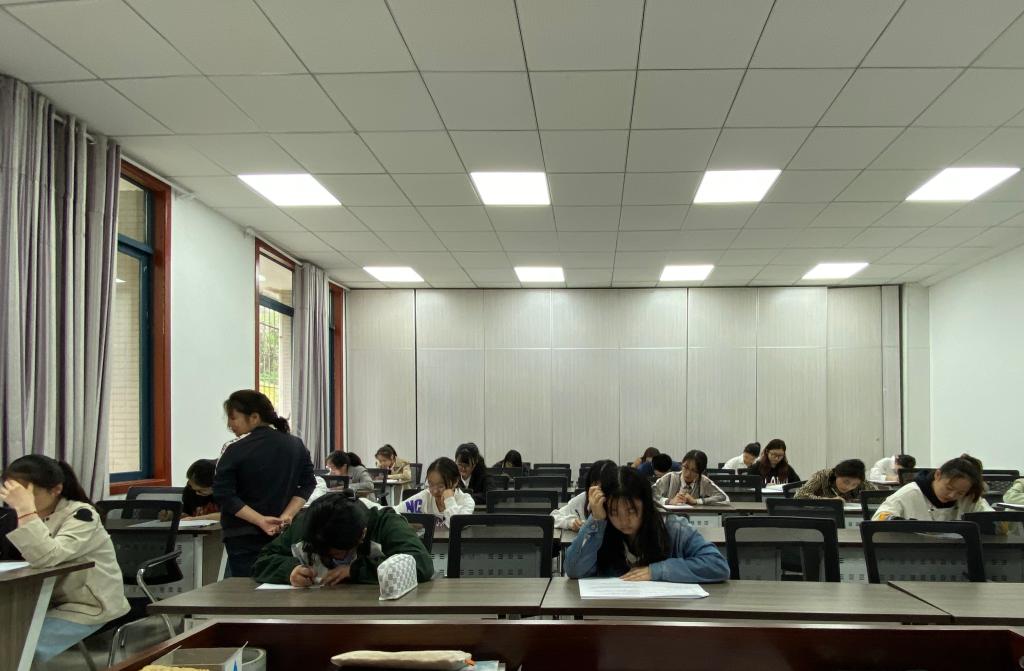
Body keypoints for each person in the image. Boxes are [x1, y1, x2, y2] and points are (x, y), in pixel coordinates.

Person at [1, 455, 130, 663]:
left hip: (86, 605)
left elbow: (47, 557)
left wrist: (25, 509)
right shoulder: (13, 516)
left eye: (26, 493)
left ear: (55, 490)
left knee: (17, 648)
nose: (19, 499)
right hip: (38, 602)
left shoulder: (82, 515)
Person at [564, 466, 729, 583]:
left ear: (646, 505)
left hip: (663, 614)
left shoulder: (673, 528)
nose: (624, 521)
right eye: (614, 512)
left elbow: (717, 565)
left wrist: (658, 571)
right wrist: (596, 520)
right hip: (612, 612)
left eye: (631, 511)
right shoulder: (601, 529)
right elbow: (574, 570)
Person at [213, 389, 316, 578]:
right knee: (280, 582)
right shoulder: (295, 444)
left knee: (246, 587)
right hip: (283, 532)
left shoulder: (234, 448)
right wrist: (287, 515)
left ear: (254, 417)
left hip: (244, 534)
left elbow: (224, 494)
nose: (229, 425)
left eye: (233, 418)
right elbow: (308, 483)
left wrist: (260, 520)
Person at [253, 492, 433, 586]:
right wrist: (289, 571)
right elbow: (262, 561)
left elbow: (421, 564)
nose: (330, 560)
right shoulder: (308, 527)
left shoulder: (385, 523)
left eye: (338, 554)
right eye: (323, 554)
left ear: (362, 535)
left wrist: (355, 571)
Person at [873, 455, 992, 521]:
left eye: (960, 493)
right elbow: (879, 519)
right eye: (948, 488)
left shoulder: (969, 498)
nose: (952, 495)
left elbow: (997, 522)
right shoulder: (910, 493)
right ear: (938, 475)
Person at [394, 457, 475, 527]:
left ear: (455, 482)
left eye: (441, 486)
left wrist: (449, 500)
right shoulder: (425, 497)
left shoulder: (466, 501)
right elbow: (394, 511)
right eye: (431, 484)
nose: (435, 491)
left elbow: (456, 525)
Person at [551, 460, 617, 531]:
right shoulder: (584, 498)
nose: (598, 489)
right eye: (595, 483)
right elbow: (554, 516)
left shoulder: (619, 502)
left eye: (604, 484)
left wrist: (599, 519)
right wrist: (571, 522)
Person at [654, 450, 729, 506]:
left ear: (701, 472)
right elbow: (650, 494)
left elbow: (725, 499)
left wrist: (697, 501)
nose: (688, 474)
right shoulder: (670, 478)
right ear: (682, 463)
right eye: (685, 467)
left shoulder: (704, 481)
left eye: (694, 471)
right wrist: (669, 501)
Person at [796, 459, 876, 502]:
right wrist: (829, 501)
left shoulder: (862, 481)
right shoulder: (822, 475)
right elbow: (799, 495)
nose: (848, 487)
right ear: (836, 474)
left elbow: (879, 497)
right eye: (846, 482)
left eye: (854, 485)